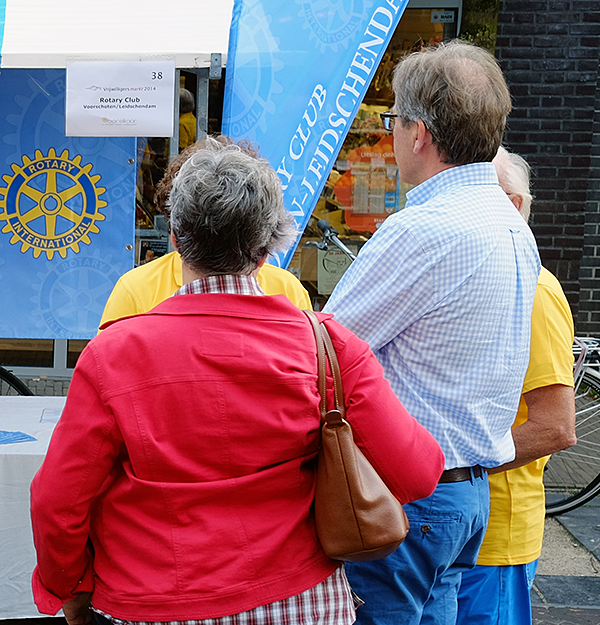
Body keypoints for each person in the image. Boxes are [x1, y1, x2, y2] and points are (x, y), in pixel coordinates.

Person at [30, 141, 444, 625]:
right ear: (269, 243)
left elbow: (58, 500)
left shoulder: (112, 355)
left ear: (176, 235)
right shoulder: (328, 345)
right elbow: (418, 473)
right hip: (298, 600)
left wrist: (69, 588)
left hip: (152, 600)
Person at [324, 40, 540, 624]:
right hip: (467, 492)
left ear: (417, 132)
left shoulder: (422, 229)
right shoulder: (511, 224)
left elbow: (325, 352)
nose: (391, 135)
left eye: (393, 121)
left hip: (407, 495)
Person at [454, 147, 576, 625]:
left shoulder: (538, 291)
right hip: (469, 526)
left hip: (497, 537)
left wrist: (458, 467)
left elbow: (555, 427)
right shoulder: (488, 276)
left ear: (516, 205)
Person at [101, 135, 311, 325]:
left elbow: (108, 360)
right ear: (264, 249)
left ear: (175, 236)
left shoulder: (288, 289)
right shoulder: (136, 289)